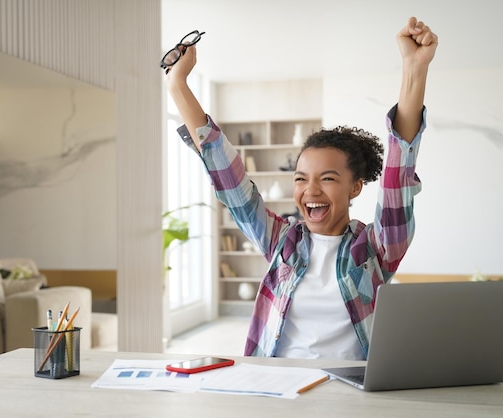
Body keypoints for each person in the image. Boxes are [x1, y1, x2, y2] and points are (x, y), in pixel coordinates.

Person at [164, 17, 438, 360]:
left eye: (327, 178)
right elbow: (229, 180)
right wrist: (178, 84)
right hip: (278, 386)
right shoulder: (282, 241)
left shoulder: (376, 250)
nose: (310, 190)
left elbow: (398, 179)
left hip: (349, 396)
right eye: (300, 178)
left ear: (355, 188)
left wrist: (414, 68)